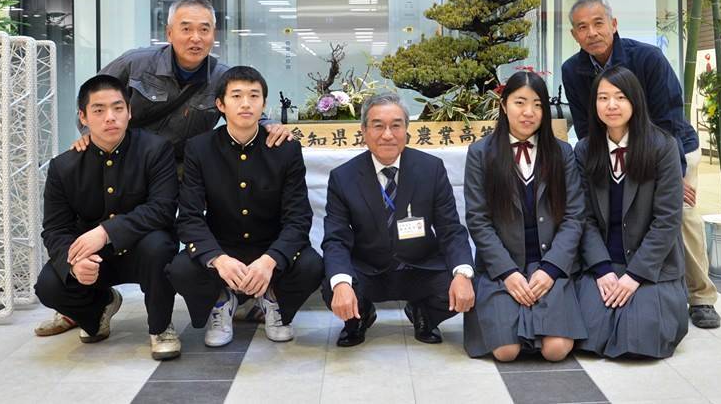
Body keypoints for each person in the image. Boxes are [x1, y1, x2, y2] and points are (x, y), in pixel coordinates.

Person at [35, 0, 290, 337]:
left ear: (214, 35)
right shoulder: (135, 63)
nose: (195, 38)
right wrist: (89, 138)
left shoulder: (221, 76)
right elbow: (97, 96)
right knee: (93, 225)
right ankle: (84, 301)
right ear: (169, 33)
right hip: (124, 163)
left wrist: (272, 126)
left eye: (204, 29)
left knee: (174, 238)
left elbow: (244, 105)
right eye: (186, 28)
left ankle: (235, 293)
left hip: (178, 171)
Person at [561, 0, 721, 329]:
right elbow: (586, 125)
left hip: (670, 146)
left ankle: (701, 296)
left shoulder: (647, 58)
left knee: (680, 213)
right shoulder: (572, 70)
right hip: (612, 147)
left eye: (598, 23)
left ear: (613, 24)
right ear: (574, 34)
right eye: (582, 27)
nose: (592, 32)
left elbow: (668, 118)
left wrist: (672, 177)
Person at [168, 66, 323, 346]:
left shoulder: (285, 149)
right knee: (180, 268)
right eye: (236, 96)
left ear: (264, 104)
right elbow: (189, 217)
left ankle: (273, 298)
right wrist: (218, 259)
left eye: (254, 96)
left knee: (311, 265)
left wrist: (270, 260)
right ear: (220, 104)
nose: (246, 103)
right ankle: (221, 301)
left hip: (269, 245)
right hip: (223, 245)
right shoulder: (200, 148)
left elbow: (298, 217)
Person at [34, 75, 181, 360]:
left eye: (118, 108)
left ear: (129, 112)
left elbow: (162, 208)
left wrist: (105, 232)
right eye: (99, 110)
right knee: (49, 286)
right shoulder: (63, 167)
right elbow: (54, 229)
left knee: (160, 246)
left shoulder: (155, 150)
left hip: (142, 251)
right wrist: (73, 264)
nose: (110, 117)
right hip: (95, 259)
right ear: (83, 117)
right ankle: (100, 307)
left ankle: (161, 327)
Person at [321, 93, 476, 347]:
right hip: (369, 269)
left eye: (396, 125)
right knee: (333, 284)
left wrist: (462, 273)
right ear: (363, 131)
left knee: (467, 281)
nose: (387, 135)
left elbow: (450, 229)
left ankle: (423, 314)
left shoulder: (431, 169)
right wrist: (341, 283)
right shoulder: (343, 177)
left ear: (407, 129)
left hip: (419, 268)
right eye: (378, 126)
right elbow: (336, 238)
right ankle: (360, 316)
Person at [463, 71, 587, 362]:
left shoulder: (562, 153)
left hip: (550, 265)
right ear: (504, 105)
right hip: (502, 268)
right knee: (506, 351)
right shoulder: (481, 153)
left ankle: (539, 321)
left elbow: (574, 217)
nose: (529, 112)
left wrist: (551, 269)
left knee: (556, 350)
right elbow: (478, 220)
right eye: (520, 102)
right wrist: (507, 272)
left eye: (538, 104)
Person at [574, 65, 688, 359]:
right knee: (588, 336)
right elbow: (583, 218)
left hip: (651, 265)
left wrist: (635, 275)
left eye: (620, 97)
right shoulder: (585, 150)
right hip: (603, 261)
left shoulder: (663, 146)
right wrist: (601, 269)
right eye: (603, 98)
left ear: (635, 100)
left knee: (639, 340)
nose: (611, 105)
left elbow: (667, 220)